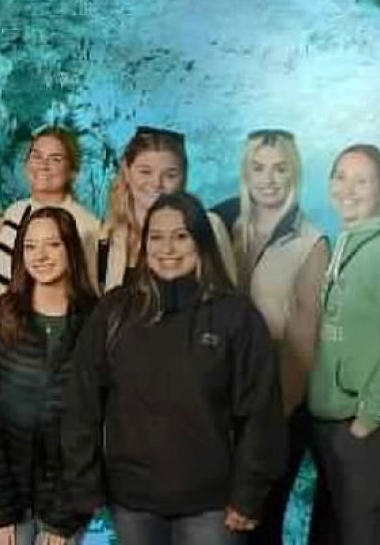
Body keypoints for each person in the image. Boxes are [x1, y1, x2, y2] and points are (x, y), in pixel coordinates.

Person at [64, 191, 285, 544]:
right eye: (156, 237)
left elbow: (261, 413)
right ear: (144, 243)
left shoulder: (235, 315)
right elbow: (80, 402)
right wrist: (84, 483)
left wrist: (249, 495)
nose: (167, 248)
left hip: (212, 503)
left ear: (201, 242)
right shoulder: (114, 312)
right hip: (133, 501)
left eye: (181, 236)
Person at [212, 130, 331, 545]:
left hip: (279, 397)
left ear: (294, 173)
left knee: (261, 522)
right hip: (223, 399)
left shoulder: (311, 241)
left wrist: (270, 422)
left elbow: (304, 338)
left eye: (280, 169)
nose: (269, 179)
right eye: (258, 168)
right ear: (246, 172)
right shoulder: (223, 225)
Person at [309, 144, 380, 545]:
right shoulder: (346, 243)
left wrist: (367, 422)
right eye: (341, 177)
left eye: (363, 180)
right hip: (337, 428)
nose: (349, 189)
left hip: (373, 435)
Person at [0, 205, 98, 544]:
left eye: (53, 245)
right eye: (30, 246)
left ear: (71, 249)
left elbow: (98, 425)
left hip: (66, 495)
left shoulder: (97, 321)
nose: (40, 256)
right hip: (7, 492)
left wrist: (64, 516)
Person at [97, 127, 235, 292]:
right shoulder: (107, 234)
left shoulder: (210, 226)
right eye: (145, 172)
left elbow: (230, 301)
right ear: (127, 171)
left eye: (170, 175)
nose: (156, 183)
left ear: (184, 176)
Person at [0, 126, 102, 297]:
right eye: (37, 156)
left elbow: (89, 293)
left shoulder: (87, 226)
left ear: (73, 172)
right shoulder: (14, 211)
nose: (43, 165)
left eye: (55, 159)